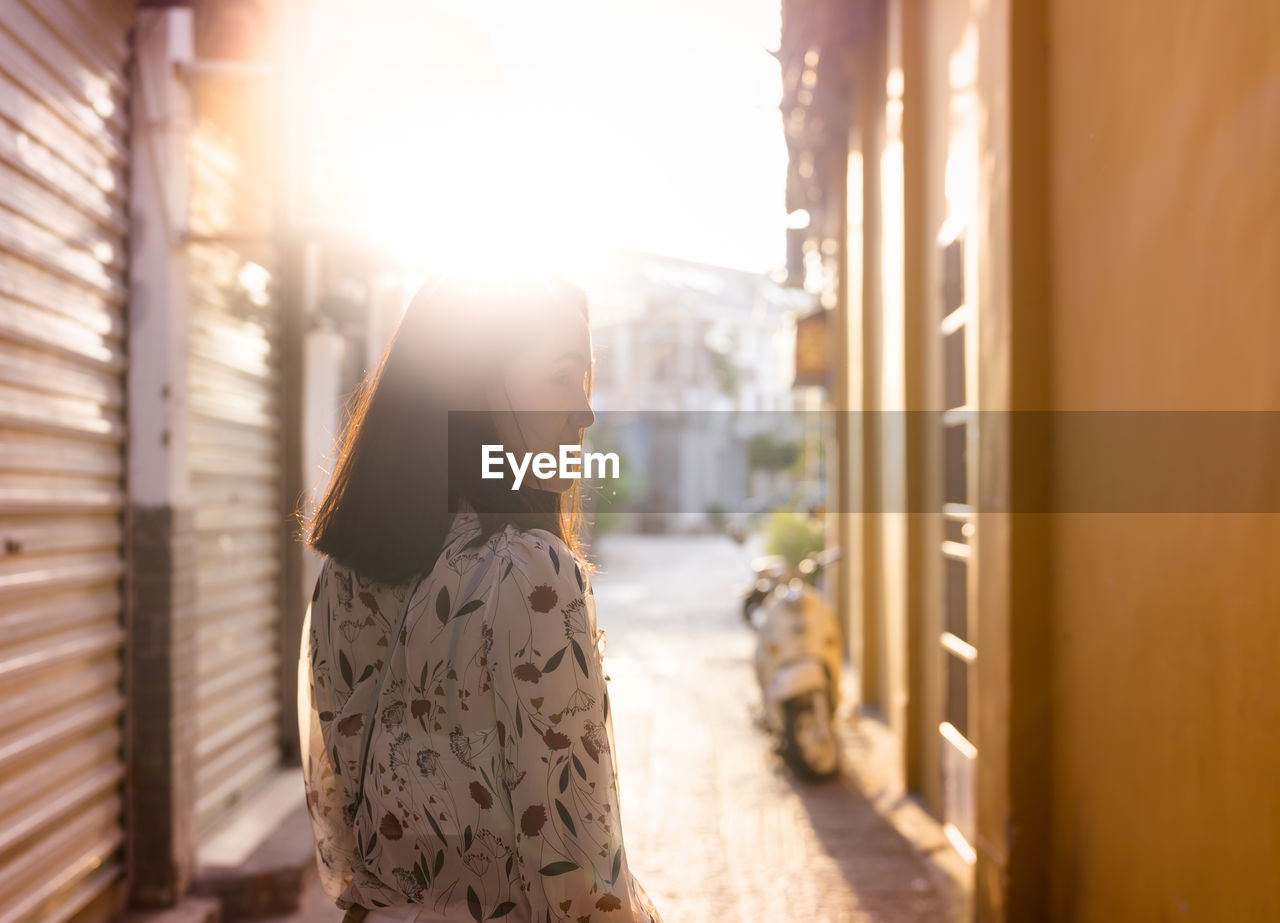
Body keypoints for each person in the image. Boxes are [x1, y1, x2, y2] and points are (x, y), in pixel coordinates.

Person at [298, 275, 663, 923]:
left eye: (587, 378)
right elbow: (578, 863)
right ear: (475, 385)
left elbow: (340, 830)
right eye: (562, 376)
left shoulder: (340, 576)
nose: (585, 411)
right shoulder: (529, 571)